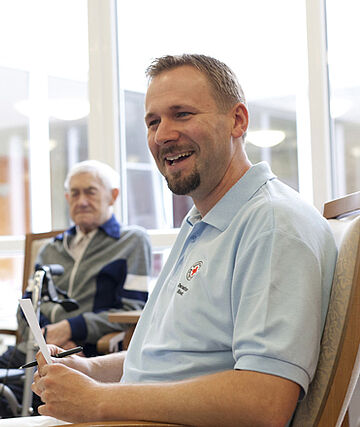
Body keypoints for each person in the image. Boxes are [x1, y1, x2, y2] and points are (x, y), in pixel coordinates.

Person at [29, 54, 338, 427]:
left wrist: (99, 400)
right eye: (153, 122)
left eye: (182, 114)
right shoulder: (202, 221)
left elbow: (264, 401)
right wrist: (90, 370)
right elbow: (170, 360)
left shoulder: (273, 224)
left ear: (238, 121)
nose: (162, 135)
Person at [0, 159, 153, 422]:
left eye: (90, 192)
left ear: (113, 196)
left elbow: (133, 309)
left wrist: (72, 329)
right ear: (67, 198)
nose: (81, 201)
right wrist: (46, 339)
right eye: (74, 193)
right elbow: (26, 308)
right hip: (30, 351)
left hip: (82, 356)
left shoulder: (131, 241)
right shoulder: (50, 249)